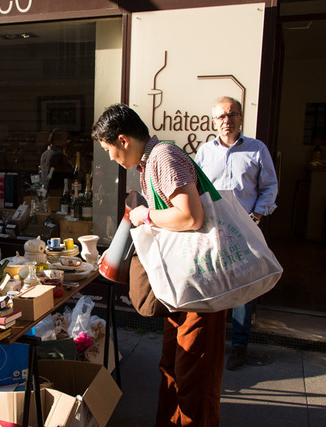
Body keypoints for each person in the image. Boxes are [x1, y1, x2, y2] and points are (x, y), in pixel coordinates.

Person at [92, 104, 226, 426]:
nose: (110, 157)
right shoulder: (149, 163)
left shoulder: (163, 157)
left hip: (200, 287)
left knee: (195, 380)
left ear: (123, 140)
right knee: (173, 369)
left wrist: (144, 215)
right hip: (183, 286)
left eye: (109, 149)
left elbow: (191, 216)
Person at [195, 96, 278, 371]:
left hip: (244, 230)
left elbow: (269, 186)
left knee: (243, 290)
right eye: (221, 116)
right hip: (212, 231)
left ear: (241, 118)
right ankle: (211, 341)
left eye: (232, 115)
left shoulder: (257, 149)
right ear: (214, 121)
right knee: (213, 284)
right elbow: (195, 190)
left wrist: (257, 215)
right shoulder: (205, 152)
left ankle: (239, 346)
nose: (226, 121)